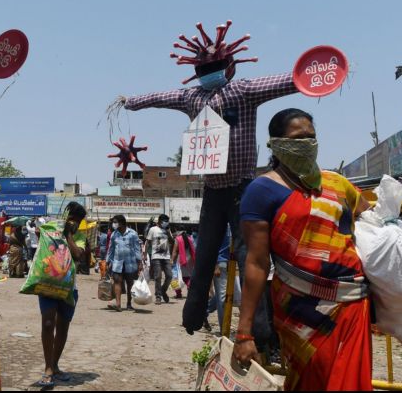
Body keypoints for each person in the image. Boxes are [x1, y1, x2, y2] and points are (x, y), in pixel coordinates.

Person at [116, 19, 298, 346]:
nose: (209, 72)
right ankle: (194, 315)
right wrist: (130, 101)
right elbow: (160, 97)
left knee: (250, 257)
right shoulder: (193, 98)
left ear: (229, 67)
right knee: (208, 257)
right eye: (204, 68)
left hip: (243, 189)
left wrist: (314, 76)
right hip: (214, 191)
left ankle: (261, 332)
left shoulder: (242, 91)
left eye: (213, 67)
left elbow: (283, 82)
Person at [233, 108, 372, 391]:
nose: (307, 144)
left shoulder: (337, 183)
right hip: (301, 308)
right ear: (276, 144)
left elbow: (369, 219)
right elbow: (257, 263)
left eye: (311, 137)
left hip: (352, 307)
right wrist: (244, 332)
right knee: (311, 381)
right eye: (298, 139)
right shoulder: (261, 191)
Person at [37, 202, 87, 388]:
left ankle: (55, 364)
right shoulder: (51, 229)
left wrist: (68, 234)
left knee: (62, 327)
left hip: (68, 288)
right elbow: (40, 237)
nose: (74, 223)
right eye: (72, 219)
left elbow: (78, 255)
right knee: (48, 323)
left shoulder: (80, 236)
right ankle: (48, 368)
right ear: (66, 217)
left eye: (78, 221)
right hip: (48, 284)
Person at [106, 214, 143, 312]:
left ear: (121, 223)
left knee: (130, 283)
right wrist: (107, 261)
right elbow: (111, 249)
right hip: (117, 263)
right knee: (117, 281)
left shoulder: (133, 234)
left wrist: (140, 262)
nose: (114, 224)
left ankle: (129, 303)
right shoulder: (114, 234)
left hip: (130, 263)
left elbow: (137, 249)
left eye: (115, 222)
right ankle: (118, 304)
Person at [211, 228, 242, 334]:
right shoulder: (221, 222)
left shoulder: (236, 222)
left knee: (239, 296)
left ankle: (206, 311)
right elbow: (212, 244)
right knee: (222, 299)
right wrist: (215, 265)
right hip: (221, 263)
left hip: (235, 263)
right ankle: (224, 329)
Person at [146, 214, 174, 305]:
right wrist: (145, 254)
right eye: (165, 221)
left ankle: (163, 290)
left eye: (167, 221)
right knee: (158, 276)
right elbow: (148, 242)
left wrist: (168, 232)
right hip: (156, 256)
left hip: (166, 256)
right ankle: (158, 296)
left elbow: (172, 242)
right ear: (160, 221)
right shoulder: (153, 229)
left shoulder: (167, 230)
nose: (166, 223)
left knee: (169, 275)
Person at [171, 227, 195, 299]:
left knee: (176, 276)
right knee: (188, 276)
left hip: (181, 259)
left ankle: (178, 294)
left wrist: (172, 260)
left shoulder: (178, 239)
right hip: (190, 259)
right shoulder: (190, 238)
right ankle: (190, 290)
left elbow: (175, 251)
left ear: (177, 230)